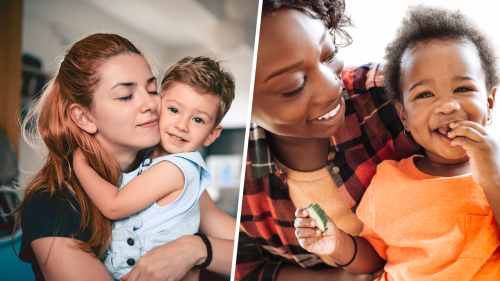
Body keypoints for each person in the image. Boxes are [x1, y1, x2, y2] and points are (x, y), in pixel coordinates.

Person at [295, 5, 500, 280]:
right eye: (425, 94)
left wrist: (493, 178)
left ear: (489, 103)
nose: (447, 106)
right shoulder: (388, 181)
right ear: (403, 115)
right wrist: (337, 244)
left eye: (463, 89)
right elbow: (375, 257)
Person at [15, 33, 236, 281]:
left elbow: (257, 249)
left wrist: (196, 249)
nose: (150, 104)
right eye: (126, 95)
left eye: (152, 89)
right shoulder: (53, 204)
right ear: (85, 118)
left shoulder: (169, 170)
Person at [235, 0, 421, 280]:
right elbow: (246, 270)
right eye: (294, 86)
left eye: (328, 54)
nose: (331, 86)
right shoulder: (242, 179)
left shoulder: (395, 94)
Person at [72, 56, 236, 280]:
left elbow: (113, 206)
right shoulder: (150, 159)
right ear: (158, 104)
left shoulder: (175, 169)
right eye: (174, 110)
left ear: (212, 134)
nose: (181, 125)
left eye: (198, 120)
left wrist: (79, 162)